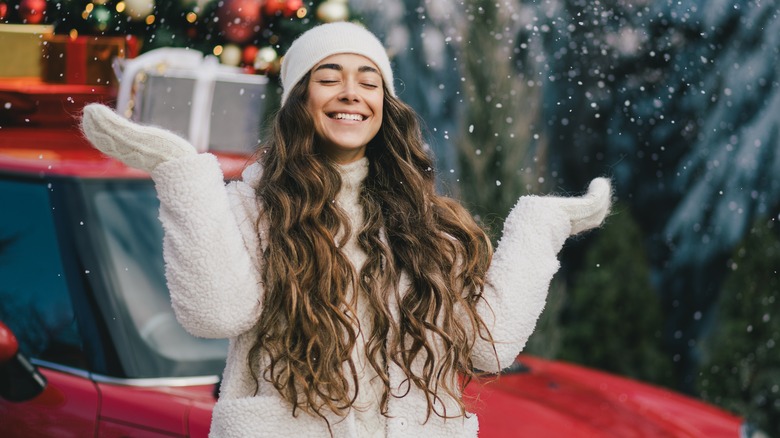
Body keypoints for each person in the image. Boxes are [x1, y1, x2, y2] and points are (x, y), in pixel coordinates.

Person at [81, 21, 611, 438]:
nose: (351, 92)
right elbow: (215, 311)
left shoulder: (427, 224)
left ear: (385, 104)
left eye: (368, 80)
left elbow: (487, 348)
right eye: (329, 77)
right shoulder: (254, 208)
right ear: (298, 102)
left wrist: (540, 225)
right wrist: (182, 173)